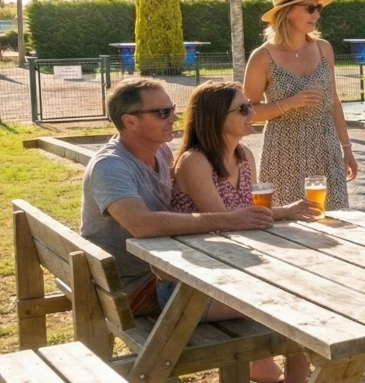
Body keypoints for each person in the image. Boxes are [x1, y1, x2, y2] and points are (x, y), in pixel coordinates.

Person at [168, 81, 315, 383]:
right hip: (192, 288)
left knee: (304, 287)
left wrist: (287, 211)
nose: (253, 112)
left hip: (229, 272)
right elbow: (223, 222)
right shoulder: (195, 162)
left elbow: (247, 214)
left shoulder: (244, 155)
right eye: (244, 108)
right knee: (301, 302)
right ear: (217, 117)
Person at [81, 78, 274, 317]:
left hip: (169, 271)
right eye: (162, 113)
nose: (174, 118)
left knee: (277, 289)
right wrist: (229, 219)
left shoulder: (160, 151)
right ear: (129, 121)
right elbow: (141, 224)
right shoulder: (111, 166)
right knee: (276, 302)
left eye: (172, 109)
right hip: (132, 288)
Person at [245, 0, 358, 211]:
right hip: (283, 150)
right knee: (288, 229)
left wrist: (346, 149)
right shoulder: (262, 57)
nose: (316, 14)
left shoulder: (323, 48)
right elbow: (246, 113)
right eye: (310, 8)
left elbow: (333, 102)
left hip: (325, 144)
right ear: (286, 13)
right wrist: (289, 103)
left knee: (333, 217)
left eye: (318, 8)